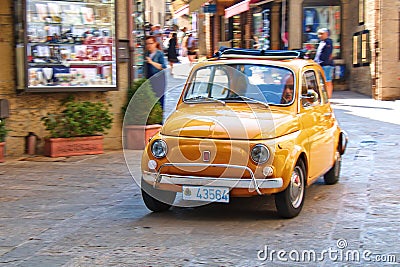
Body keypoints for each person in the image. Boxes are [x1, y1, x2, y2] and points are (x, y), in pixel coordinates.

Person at [145, 35, 167, 109]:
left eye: (150, 43)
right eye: (147, 44)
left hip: (159, 80)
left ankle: (159, 117)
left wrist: (151, 62)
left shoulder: (159, 54)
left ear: (155, 43)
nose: (148, 46)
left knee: (160, 99)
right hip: (149, 80)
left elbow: (163, 67)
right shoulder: (146, 54)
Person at [314, 28, 334, 98]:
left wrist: (322, 62)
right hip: (320, 64)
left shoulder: (328, 42)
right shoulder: (322, 42)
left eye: (322, 34)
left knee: (327, 81)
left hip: (326, 65)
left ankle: (328, 96)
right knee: (322, 81)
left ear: (327, 34)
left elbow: (328, 54)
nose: (320, 35)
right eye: (319, 34)